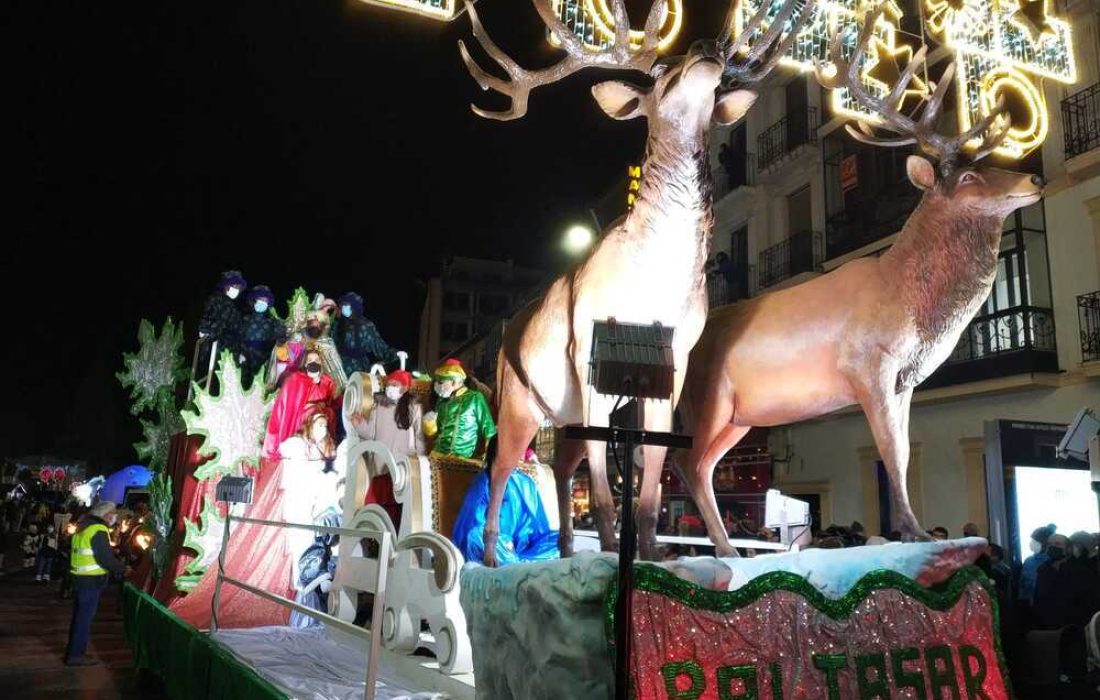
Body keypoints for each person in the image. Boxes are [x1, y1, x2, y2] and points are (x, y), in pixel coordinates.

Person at [66, 501, 129, 666]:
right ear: (106, 514)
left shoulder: (84, 526)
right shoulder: (99, 529)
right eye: (114, 513)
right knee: (84, 619)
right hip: (91, 581)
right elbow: (105, 559)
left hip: (79, 578)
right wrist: (123, 569)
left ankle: (73, 652)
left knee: (79, 617)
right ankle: (76, 655)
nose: (115, 516)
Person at [262, 348, 339, 460]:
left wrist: (324, 408)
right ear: (305, 363)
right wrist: (312, 407)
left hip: (321, 420)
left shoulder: (326, 382)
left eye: (317, 360)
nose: (314, 362)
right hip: (301, 421)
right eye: (310, 360)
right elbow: (290, 408)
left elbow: (330, 403)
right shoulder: (296, 380)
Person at [1019, 523, 1056, 605]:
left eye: (1035, 541)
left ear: (1045, 543)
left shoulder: (1054, 562)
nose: (1031, 543)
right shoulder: (1029, 560)